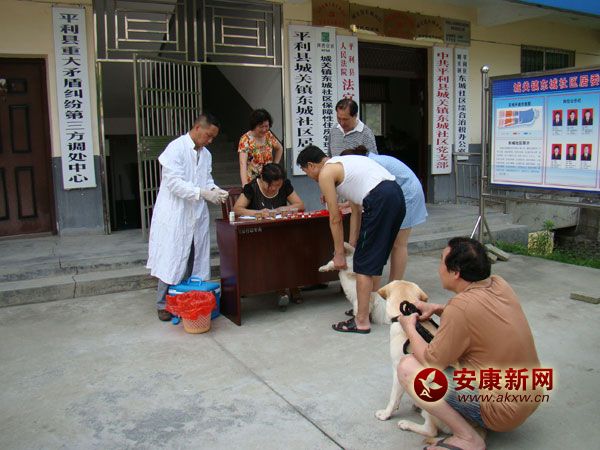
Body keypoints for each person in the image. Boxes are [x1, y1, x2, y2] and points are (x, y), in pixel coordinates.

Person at [396, 237, 543, 450]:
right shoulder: (499, 284)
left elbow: (431, 360)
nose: (439, 267)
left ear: (455, 272)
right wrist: (437, 308)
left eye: (441, 261)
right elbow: (477, 315)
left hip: (503, 411)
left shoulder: (461, 308)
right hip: (529, 396)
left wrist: (408, 326)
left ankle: (467, 438)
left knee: (408, 368)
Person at [297, 145, 405, 333]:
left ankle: (361, 320)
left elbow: (335, 218)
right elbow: (356, 209)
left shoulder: (325, 173)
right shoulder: (344, 164)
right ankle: (367, 308)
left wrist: (339, 253)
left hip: (379, 200)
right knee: (374, 259)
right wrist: (353, 242)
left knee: (363, 264)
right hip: (396, 196)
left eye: (307, 172)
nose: (310, 177)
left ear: (311, 165)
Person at [147, 113, 229, 321]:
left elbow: (206, 179)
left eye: (213, 138)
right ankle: (163, 304)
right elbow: (174, 183)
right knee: (172, 257)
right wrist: (202, 193)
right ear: (198, 128)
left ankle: (187, 300)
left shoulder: (206, 154)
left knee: (193, 257)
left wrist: (215, 190)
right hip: (175, 213)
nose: (210, 141)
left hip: (196, 214)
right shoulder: (176, 148)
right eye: (208, 136)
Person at [340, 145, 427, 281]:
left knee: (399, 243)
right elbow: (358, 204)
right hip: (396, 192)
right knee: (385, 240)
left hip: (408, 192)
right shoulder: (364, 163)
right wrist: (352, 245)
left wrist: (352, 243)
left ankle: (395, 284)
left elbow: (359, 209)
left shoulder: (369, 165)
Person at [233, 163, 305, 309]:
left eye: (278, 185)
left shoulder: (285, 185)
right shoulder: (252, 188)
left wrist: (284, 208)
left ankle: (292, 285)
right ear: (263, 179)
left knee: (295, 244)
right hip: (258, 235)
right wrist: (258, 213)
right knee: (278, 249)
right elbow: (237, 209)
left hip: (281, 231)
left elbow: (300, 205)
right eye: (271, 185)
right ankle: (281, 288)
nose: (274, 189)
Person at [238, 109, 283, 186]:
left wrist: (275, 166)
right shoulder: (245, 139)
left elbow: (279, 148)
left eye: (266, 126)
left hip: (269, 179)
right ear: (254, 126)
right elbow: (243, 164)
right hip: (253, 181)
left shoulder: (268, 135)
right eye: (261, 127)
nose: (264, 129)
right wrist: (245, 185)